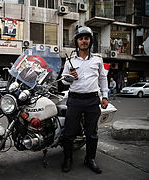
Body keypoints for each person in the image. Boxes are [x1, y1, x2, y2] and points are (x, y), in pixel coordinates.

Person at [61, 26, 109, 174]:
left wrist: (105, 96)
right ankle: (68, 159)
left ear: (90, 41)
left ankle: (90, 159)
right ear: (77, 41)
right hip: (74, 99)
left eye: (86, 38)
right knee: (69, 133)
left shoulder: (98, 60)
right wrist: (69, 78)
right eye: (81, 38)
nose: (84, 41)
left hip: (92, 100)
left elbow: (102, 78)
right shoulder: (70, 62)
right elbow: (63, 81)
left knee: (92, 133)